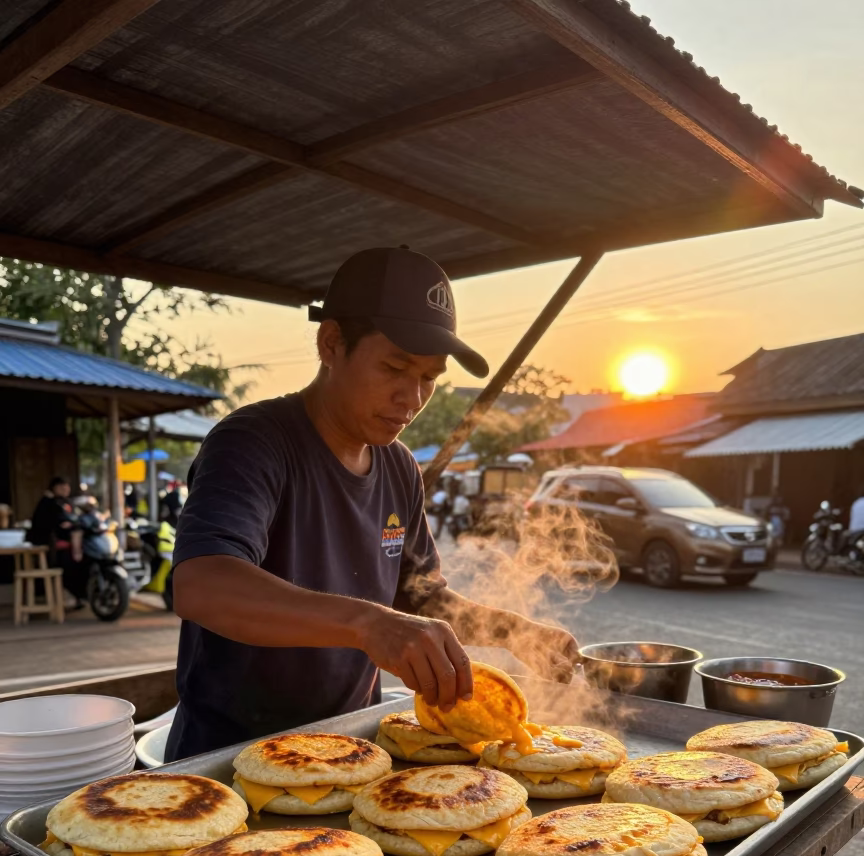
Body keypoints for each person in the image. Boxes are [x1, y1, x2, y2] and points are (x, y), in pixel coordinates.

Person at [166, 247, 579, 759]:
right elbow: (202, 585)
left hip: (349, 749)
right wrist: (368, 624)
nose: (412, 397)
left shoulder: (399, 466)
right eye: (394, 367)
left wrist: (514, 632)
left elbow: (419, 599)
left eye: (429, 377)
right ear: (331, 343)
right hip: (231, 757)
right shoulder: (253, 441)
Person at [28, 476, 82, 564]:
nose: (65, 489)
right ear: (54, 488)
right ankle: (77, 554)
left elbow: (73, 516)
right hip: (50, 534)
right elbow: (52, 519)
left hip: (63, 530)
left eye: (66, 487)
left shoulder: (66, 501)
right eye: (61, 487)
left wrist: (71, 522)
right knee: (76, 530)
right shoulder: (48, 501)